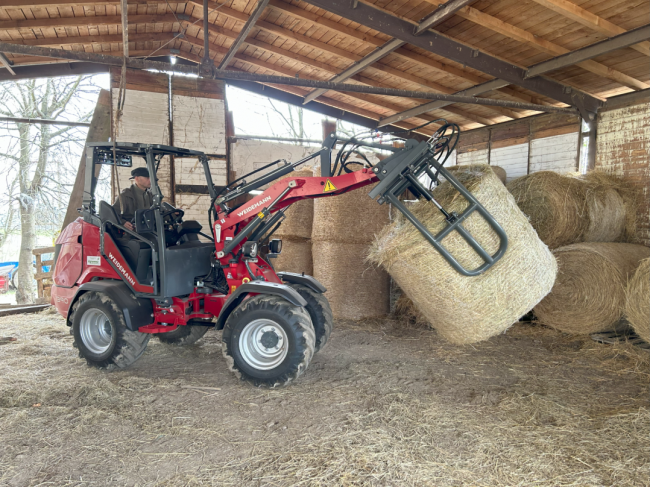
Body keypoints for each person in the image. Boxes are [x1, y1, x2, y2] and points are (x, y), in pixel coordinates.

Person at [113, 167, 153, 231]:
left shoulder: (151, 195)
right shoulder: (125, 196)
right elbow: (113, 214)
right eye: (147, 178)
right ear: (137, 178)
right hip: (131, 233)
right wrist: (123, 222)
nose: (150, 180)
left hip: (150, 229)